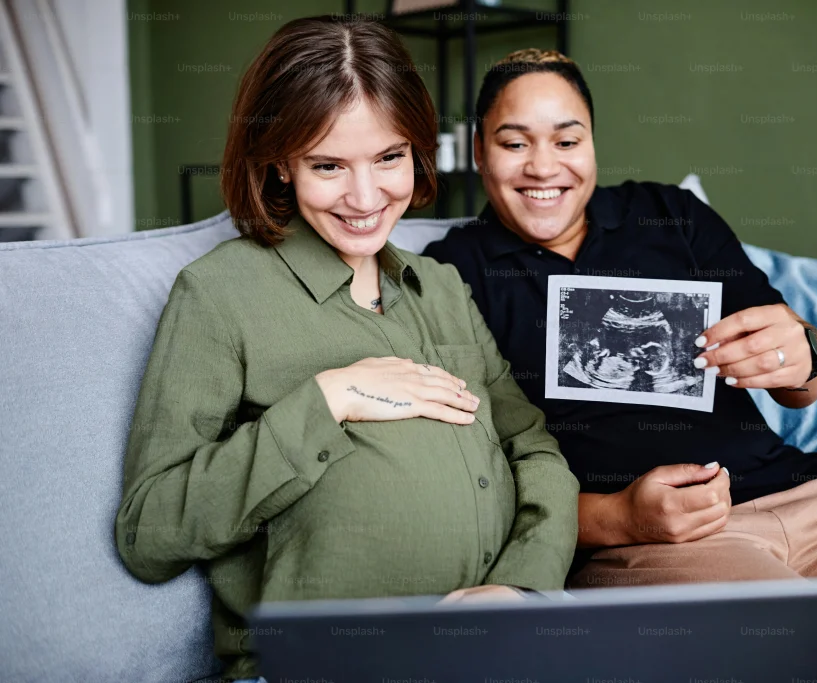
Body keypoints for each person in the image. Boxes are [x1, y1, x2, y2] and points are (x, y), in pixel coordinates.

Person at [423, 48, 817, 683]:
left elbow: (806, 380)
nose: (544, 166)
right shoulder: (450, 274)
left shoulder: (670, 215)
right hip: (657, 542)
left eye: (567, 140)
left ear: (593, 143)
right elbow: (468, 489)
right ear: (480, 153)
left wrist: (800, 353)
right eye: (514, 143)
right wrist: (618, 518)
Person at [114, 23, 578, 682]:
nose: (365, 199)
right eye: (329, 165)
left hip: (491, 653)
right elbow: (148, 532)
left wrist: (520, 585)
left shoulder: (439, 286)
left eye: (389, 158)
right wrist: (330, 399)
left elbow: (532, 447)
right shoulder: (220, 294)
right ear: (280, 161)